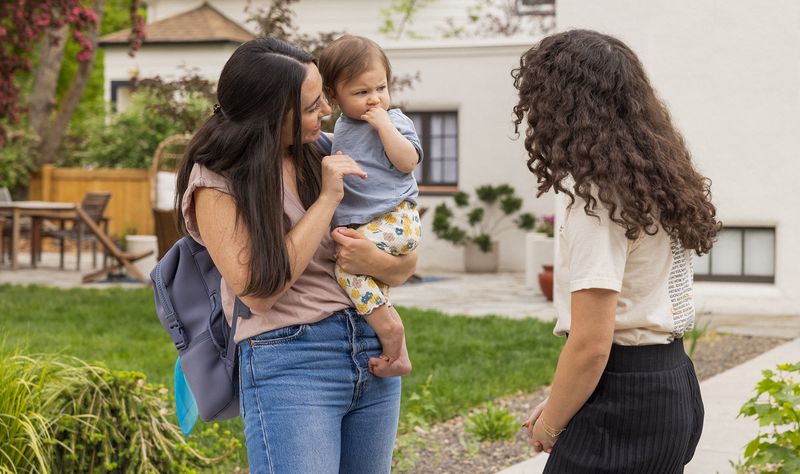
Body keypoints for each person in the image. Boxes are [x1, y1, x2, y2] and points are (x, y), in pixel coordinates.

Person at [175, 37, 417, 474]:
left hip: (369, 348)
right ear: (270, 115)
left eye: (322, 96)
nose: (326, 110)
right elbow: (258, 291)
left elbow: (405, 266)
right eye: (310, 106)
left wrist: (378, 280)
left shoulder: (323, 150)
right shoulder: (217, 182)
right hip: (291, 362)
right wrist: (326, 201)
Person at [512, 30, 719, 472]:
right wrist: (559, 401)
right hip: (671, 381)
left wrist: (549, 427)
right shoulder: (656, 183)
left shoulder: (598, 202)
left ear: (559, 107)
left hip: (624, 402)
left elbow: (591, 344)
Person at [319, 34, 422, 378]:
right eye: (361, 93)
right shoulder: (342, 128)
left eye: (380, 88)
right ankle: (399, 354)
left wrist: (384, 126)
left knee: (347, 269)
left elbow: (407, 161)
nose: (374, 99)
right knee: (368, 282)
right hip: (373, 222)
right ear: (333, 97)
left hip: (396, 218)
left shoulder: (394, 120)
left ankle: (392, 334)